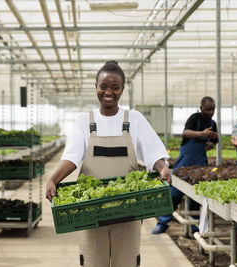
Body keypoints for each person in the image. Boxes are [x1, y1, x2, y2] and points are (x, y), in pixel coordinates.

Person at [45, 60, 170, 267]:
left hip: (129, 210)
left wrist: (163, 168)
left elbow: (153, 152)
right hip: (90, 213)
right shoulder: (84, 121)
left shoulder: (134, 119)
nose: (108, 92)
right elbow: (72, 157)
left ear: (122, 90)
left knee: (127, 262)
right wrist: (53, 178)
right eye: (103, 86)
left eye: (115, 87)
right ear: (96, 87)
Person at [152, 96, 218, 234]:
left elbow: (215, 140)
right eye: (208, 109)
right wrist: (202, 133)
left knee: (196, 196)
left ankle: (195, 227)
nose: (211, 112)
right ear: (201, 108)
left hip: (200, 163)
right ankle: (163, 223)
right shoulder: (194, 118)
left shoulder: (213, 123)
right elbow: (185, 132)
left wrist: (211, 144)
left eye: (213, 109)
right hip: (185, 161)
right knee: (174, 194)